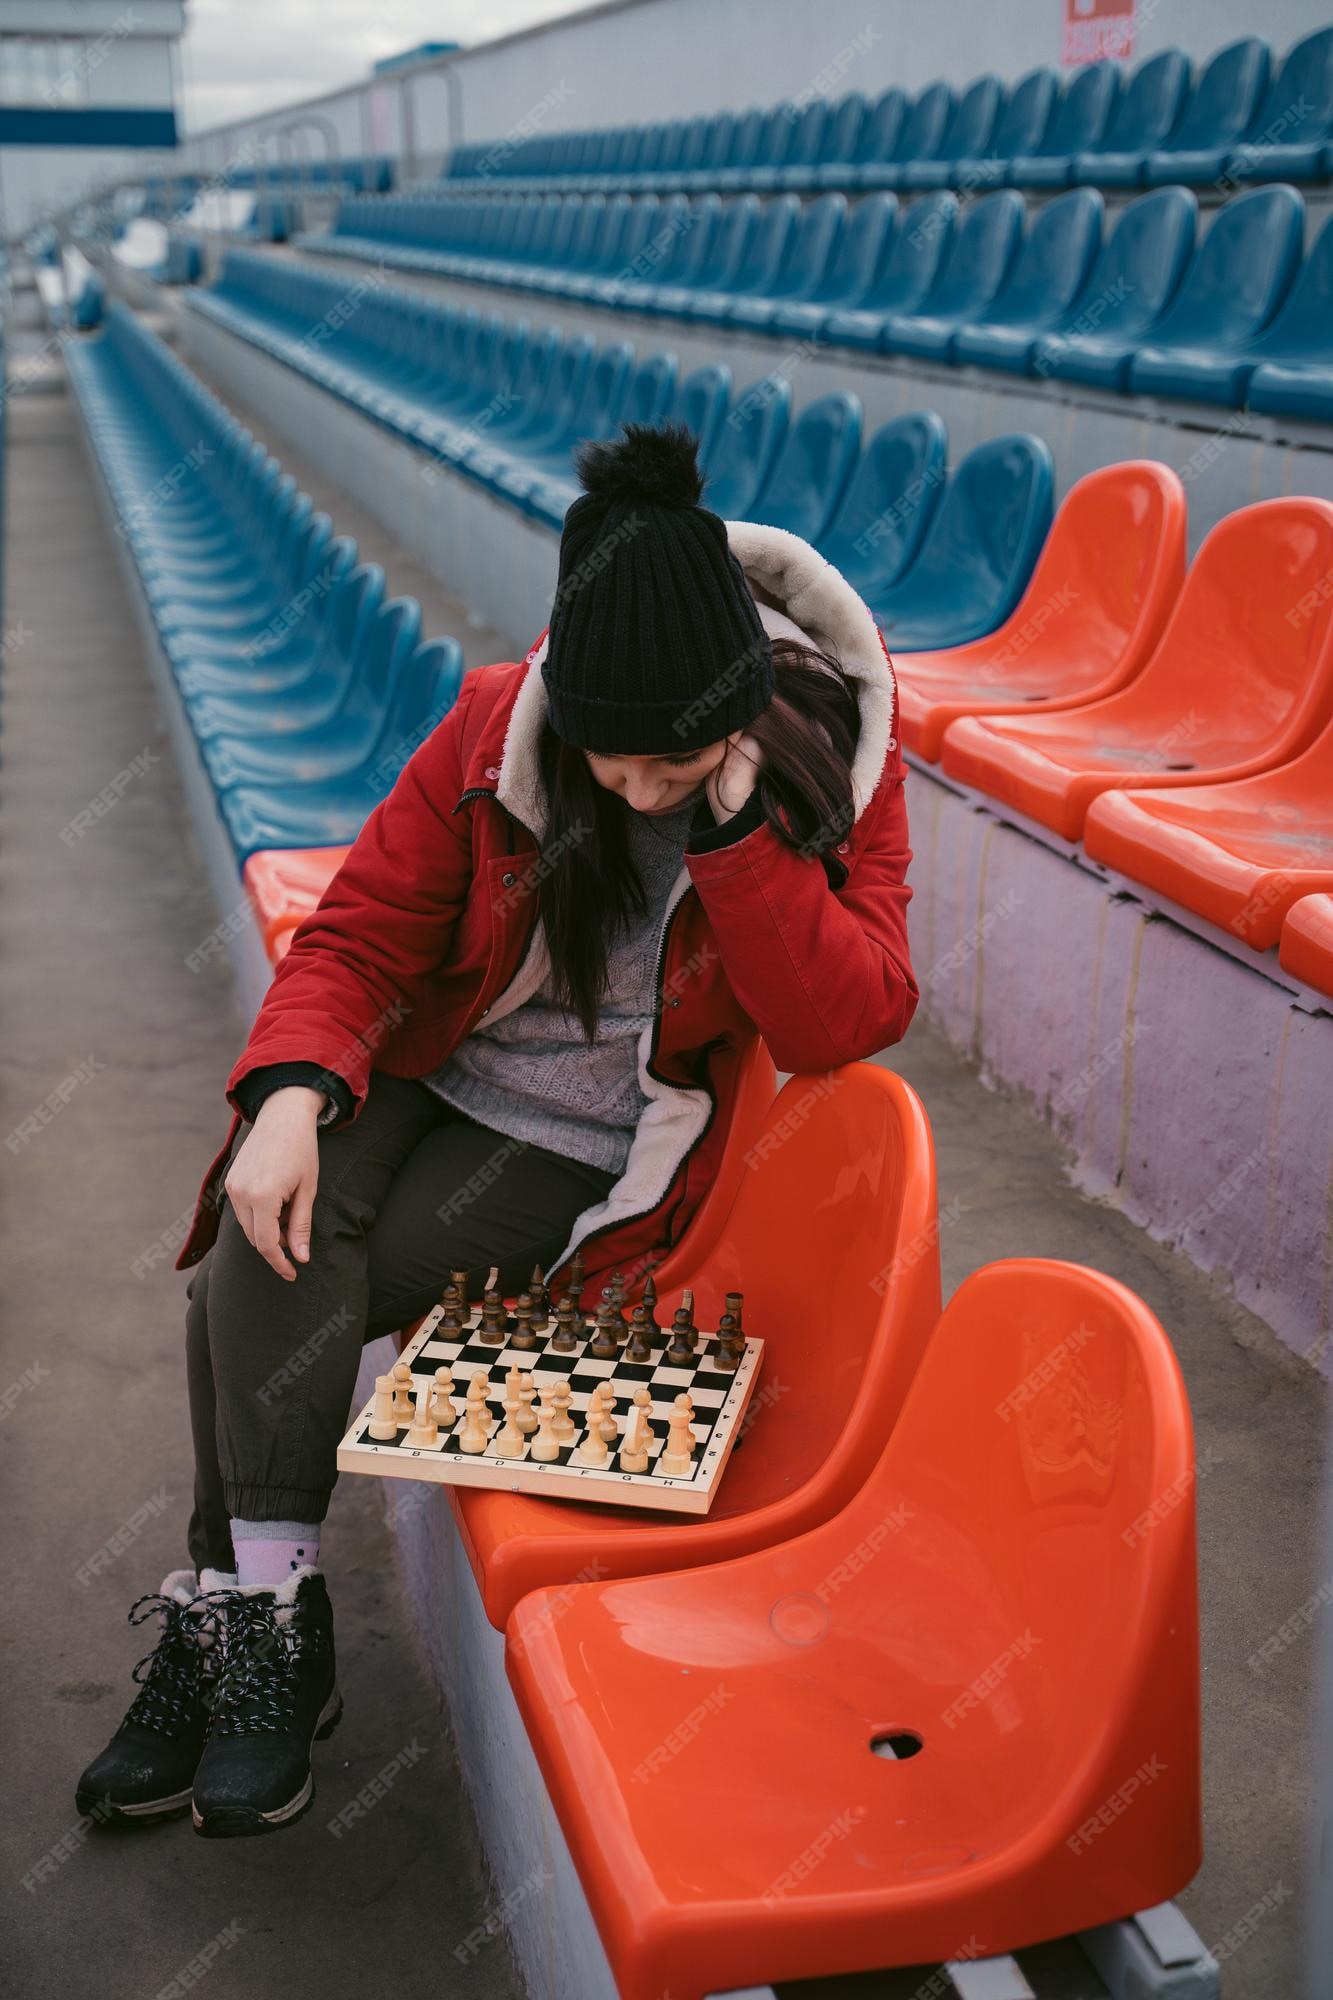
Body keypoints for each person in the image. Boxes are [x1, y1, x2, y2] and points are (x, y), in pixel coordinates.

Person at [76, 420, 918, 1838]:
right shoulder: (493, 725)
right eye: (611, 762)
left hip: (576, 1144)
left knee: (262, 1282)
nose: (638, 789)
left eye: (672, 760)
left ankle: (235, 1612)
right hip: (426, 1064)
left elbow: (851, 1014)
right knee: (263, 1220)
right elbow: (359, 936)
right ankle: (268, 1619)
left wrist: (733, 840)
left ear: (734, 712)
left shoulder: (829, 768)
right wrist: (289, 1095)